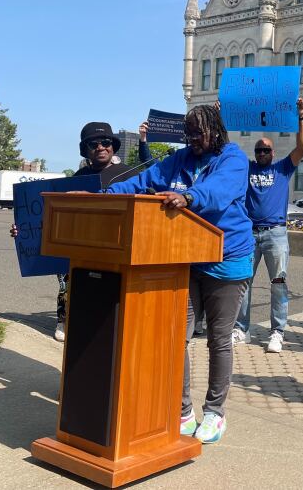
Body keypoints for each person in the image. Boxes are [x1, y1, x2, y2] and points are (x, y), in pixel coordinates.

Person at [106, 105, 253, 445]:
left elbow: (216, 192)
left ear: (215, 131)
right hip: (185, 261)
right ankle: (183, 410)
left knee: (219, 340)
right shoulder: (179, 159)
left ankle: (215, 413)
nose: (192, 141)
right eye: (188, 134)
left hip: (227, 261)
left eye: (197, 134)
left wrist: (187, 197)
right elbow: (140, 183)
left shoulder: (234, 159)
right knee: (176, 337)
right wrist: (102, 196)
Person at [10, 121, 151, 342]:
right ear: (86, 149)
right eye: (93, 144)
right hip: (78, 246)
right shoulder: (76, 177)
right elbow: (50, 214)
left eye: (106, 142)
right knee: (68, 283)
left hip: (115, 247)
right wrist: (25, 229)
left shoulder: (129, 175)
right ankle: (64, 319)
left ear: (113, 146)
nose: (100, 147)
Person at [233, 98, 303, 353]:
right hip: (249, 233)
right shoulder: (247, 168)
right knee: (243, 281)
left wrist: (300, 117)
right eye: (258, 150)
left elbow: (302, 147)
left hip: (276, 233)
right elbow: (223, 149)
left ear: (273, 153)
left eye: (266, 150)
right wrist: (219, 117)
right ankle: (241, 329)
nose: (262, 153)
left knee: (278, 283)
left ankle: (277, 332)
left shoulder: (282, 169)